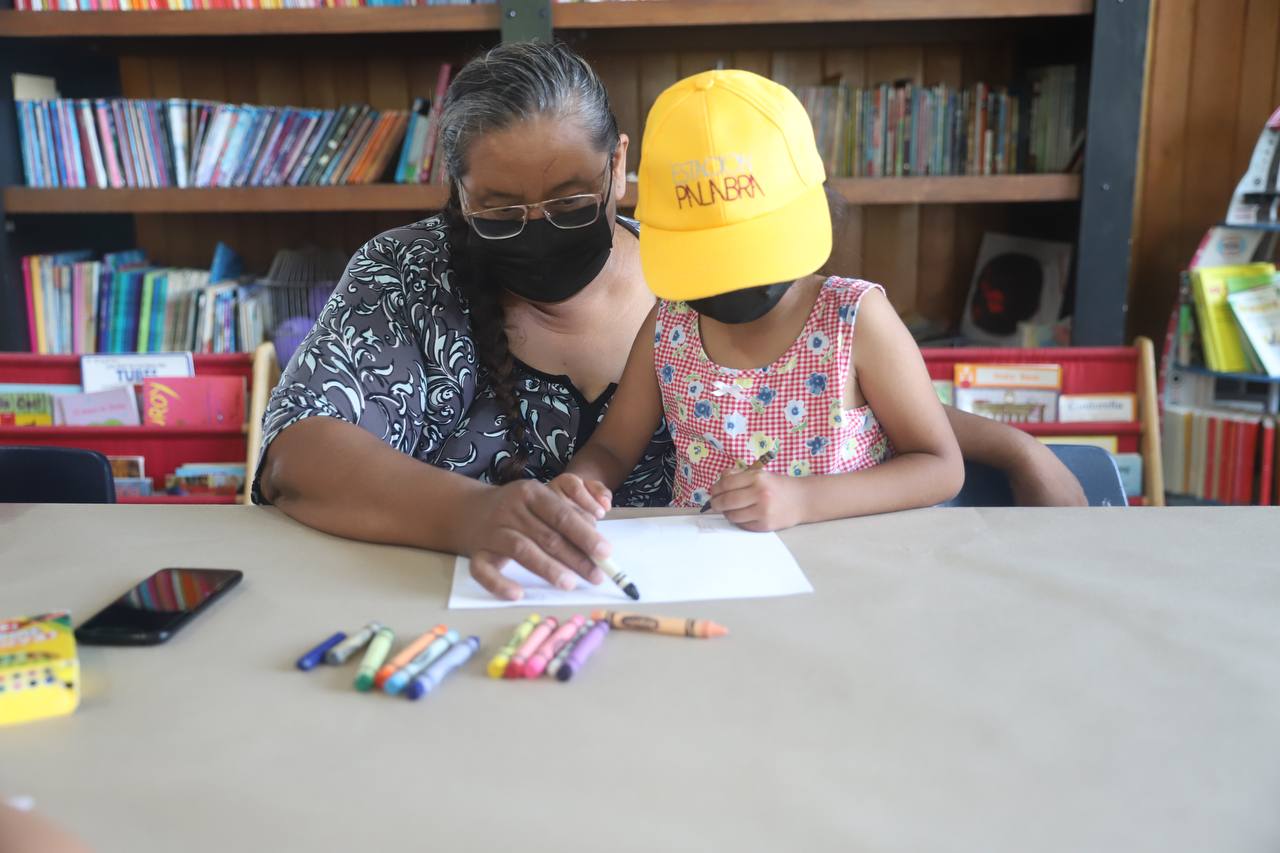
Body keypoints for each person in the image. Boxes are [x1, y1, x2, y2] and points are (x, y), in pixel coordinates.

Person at [255, 41, 1085, 601]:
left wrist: (1012, 447)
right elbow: (301, 452)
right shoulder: (410, 273)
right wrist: (471, 514)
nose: (539, 227)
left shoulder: (707, 264)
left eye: (571, 200)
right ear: (456, 194)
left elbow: (828, 389)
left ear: (621, 166)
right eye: (500, 210)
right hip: (473, 618)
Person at [559, 69, 963, 529]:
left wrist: (804, 501)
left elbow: (940, 466)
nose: (729, 282)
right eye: (706, 263)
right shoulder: (669, 327)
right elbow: (612, 449)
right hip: (709, 575)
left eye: (750, 257)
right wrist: (580, 486)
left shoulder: (854, 319)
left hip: (849, 573)